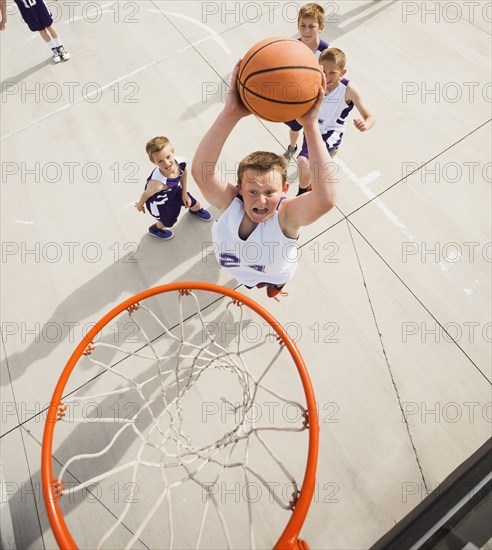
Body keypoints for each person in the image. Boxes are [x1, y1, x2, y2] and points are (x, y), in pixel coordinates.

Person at [191, 62, 336, 300]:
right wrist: (230, 113)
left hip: (275, 273)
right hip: (241, 271)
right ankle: (257, 284)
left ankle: (274, 287)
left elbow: (326, 199)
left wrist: (310, 125)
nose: (261, 200)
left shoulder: (286, 218)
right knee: (250, 283)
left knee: (271, 283)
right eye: (252, 191)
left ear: (285, 190)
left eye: (270, 191)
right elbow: (200, 172)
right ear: (239, 189)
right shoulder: (231, 204)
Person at [296, 47, 376, 195]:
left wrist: (365, 124)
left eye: (333, 72)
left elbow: (370, 116)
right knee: (305, 165)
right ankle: (306, 189)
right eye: (323, 72)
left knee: (304, 162)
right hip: (312, 129)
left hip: (330, 134)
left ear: (342, 72)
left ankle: (301, 195)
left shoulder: (348, 89)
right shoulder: (314, 82)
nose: (327, 77)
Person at [136, 136, 212, 241]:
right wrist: (140, 205)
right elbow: (146, 194)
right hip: (162, 203)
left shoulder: (181, 162)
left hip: (175, 192)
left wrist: (184, 193)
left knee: (196, 204)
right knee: (168, 222)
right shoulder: (157, 184)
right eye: (160, 161)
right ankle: (155, 229)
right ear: (153, 162)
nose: (167, 163)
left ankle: (195, 211)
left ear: (173, 152)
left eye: (168, 157)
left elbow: (183, 172)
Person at [283, 2, 329, 161]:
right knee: (294, 128)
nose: (306, 30)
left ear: (321, 27)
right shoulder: (291, 47)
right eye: (302, 25)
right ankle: (292, 147)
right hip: (294, 100)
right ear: (297, 25)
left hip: (315, 103)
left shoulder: (327, 54)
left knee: (311, 135)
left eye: (312, 26)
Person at [0, 0, 70, 63]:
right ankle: (54, 50)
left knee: (49, 26)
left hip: (39, 5)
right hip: (27, 12)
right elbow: (2, 1)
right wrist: (4, 19)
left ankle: (61, 48)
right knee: (41, 30)